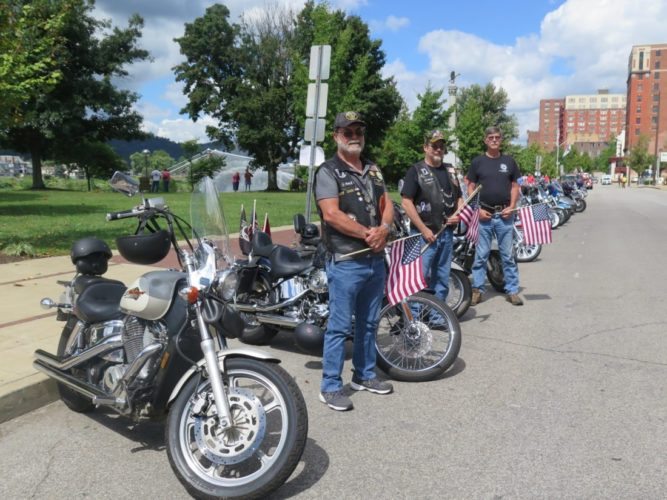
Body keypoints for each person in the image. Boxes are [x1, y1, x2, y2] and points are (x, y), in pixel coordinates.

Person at [313, 111, 395, 411]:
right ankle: (331, 386)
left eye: (358, 131)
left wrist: (383, 230)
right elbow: (331, 214)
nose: (354, 136)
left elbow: (387, 205)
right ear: (336, 136)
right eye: (348, 132)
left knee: (370, 322)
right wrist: (367, 234)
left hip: (374, 260)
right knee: (338, 327)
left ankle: (364, 375)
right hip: (346, 259)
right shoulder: (328, 171)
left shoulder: (373, 169)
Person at [401, 130, 463, 307]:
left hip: (446, 233)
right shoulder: (416, 170)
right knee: (418, 277)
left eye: (441, 146)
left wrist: (457, 214)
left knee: (442, 277)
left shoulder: (450, 170)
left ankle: (437, 316)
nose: (438, 149)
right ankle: (415, 319)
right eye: (434, 146)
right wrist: (423, 229)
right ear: (425, 147)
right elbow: (406, 203)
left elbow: (459, 197)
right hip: (423, 234)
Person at [466, 126, 523, 306]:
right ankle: (478, 290)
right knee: (481, 255)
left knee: (507, 255)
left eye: (497, 137)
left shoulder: (509, 161)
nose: (494, 140)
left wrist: (512, 206)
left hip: (505, 214)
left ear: (501, 140)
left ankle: (512, 290)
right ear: (485, 140)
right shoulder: (477, 162)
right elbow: (470, 187)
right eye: (490, 137)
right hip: (484, 215)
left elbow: (515, 186)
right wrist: (476, 209)